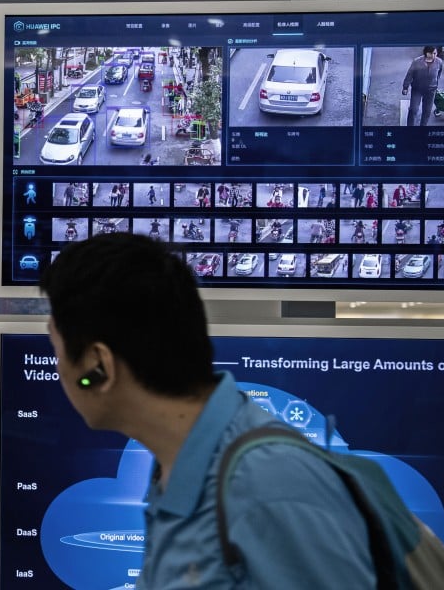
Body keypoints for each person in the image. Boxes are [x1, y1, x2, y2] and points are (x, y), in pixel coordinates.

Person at [38, 233, 375, 588]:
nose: (58, 368)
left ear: (98, 366)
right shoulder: (180, 470)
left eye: (56, 348)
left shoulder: (267, 485)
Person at [402, 45, 443, 127]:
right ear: (427, 53)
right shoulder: (417, 62)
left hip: (431, 90)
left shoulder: (439, 62)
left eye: (435, 53)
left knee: (427, 111)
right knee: (413, 109)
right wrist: (405, 87)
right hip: (417, 89)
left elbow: (438, 74)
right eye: (432, 53)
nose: (434, 55)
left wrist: (436, 84)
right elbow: (410, 74)